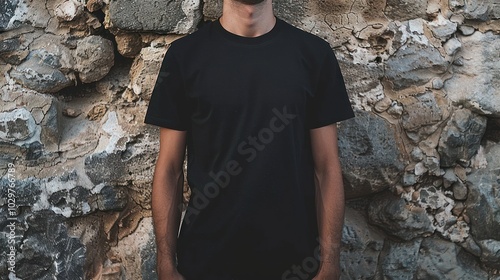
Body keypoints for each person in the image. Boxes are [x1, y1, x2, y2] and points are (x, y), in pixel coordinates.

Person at [144, 0, 354, 279]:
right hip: (205, 263)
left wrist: (329, 263)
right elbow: (169, 169)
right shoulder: (184, 57)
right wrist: (166, 263)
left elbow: (327, 168)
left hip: (295, 263)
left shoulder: (314, 55)